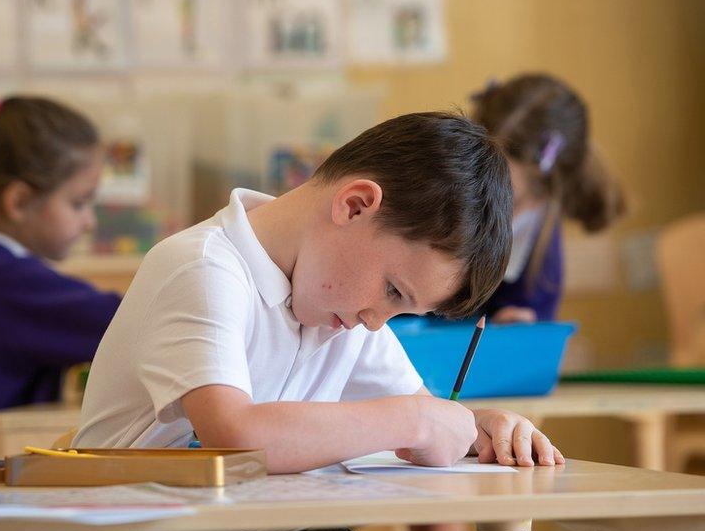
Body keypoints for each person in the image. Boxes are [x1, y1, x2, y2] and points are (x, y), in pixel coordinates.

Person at [74, 112, 564, 475]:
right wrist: (416, 419)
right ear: (354, 206)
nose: (379, 321)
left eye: (401, 309)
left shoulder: (344, 308)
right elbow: (237, 438)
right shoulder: (203, 268)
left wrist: (480, 427)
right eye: (393, 290)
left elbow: (421, 418)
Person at [0, 96, 121, 461]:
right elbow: (130, 323)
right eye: (79, 203)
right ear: (18, 201)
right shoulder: (5, 281)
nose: (89, 222)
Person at [472, 73, 626, 323]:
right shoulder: (448, 198)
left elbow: (535, 337)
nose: (480, 187)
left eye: (502, 183)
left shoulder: (540, 258)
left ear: (542, 183)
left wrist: (517, 331)